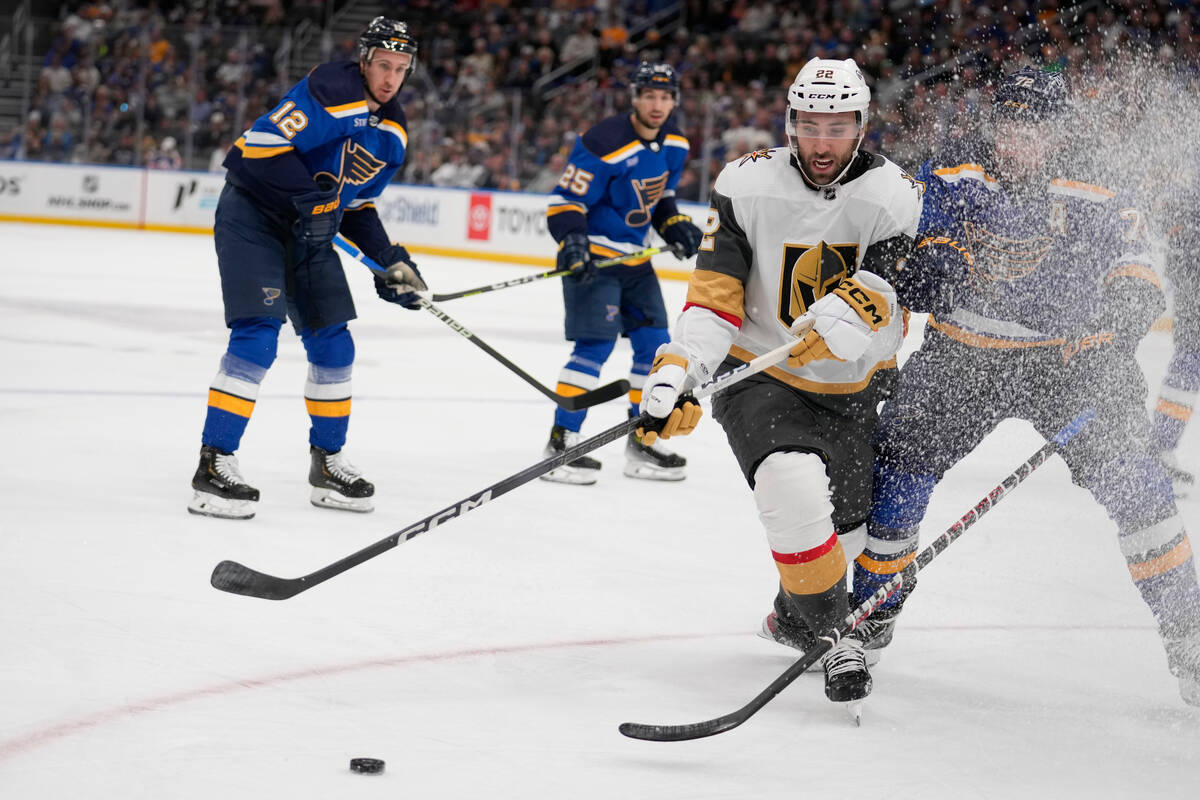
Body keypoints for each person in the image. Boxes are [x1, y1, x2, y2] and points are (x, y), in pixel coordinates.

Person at [854, 67, 1200, 705]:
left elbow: (1136, 264)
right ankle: (867, 622)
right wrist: (929, 267)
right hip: (964, 356)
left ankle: (1191, 641)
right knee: (899, 473)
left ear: (1055, 130)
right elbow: (923, 241)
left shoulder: (1098, 183)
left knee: (1141, 488)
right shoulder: (953, 169)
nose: (1019, 137)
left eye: (1033, 126)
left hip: (1069, 363)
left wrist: (1126, 303)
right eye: (1009, 122)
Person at [637, 57, 926, 704]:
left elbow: (887, 296)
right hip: (759, 374)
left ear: (862, 125)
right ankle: (835, 639)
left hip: (855, 387)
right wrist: (681, 369)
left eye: (838, 127)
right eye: (810, 125)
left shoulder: (895, 196)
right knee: (790, 489)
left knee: (845, 533)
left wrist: (854, 316)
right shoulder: (744, 185)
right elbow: (714, 301)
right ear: (790, 122)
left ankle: (796, 617)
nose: (822, 143)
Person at [188, 16, 429, 520]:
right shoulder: (329, 89)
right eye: (383, 64)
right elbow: (258, 151)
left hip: (309, 230)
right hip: (253, 217)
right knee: (258, 334)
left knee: (334, 342)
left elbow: (357, 207)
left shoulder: (392, 135)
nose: (390, 77)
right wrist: (313, 203)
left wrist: (389, 261)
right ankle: (213, 466)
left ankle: (328, 464)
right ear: (364, 61)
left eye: (400, 69)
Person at [540, 61, 703, 485]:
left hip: (636, 262)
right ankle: (562, 443)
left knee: (655, 349)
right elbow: (564, 202)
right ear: (634, 97)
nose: (657, 104)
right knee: (594, 348)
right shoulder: (604, 141)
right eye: (649, 95)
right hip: (595, 261)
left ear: (674, 101)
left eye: (665, 96)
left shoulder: (676, 143)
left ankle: (642, 442)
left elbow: (660, 199)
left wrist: (674, 225)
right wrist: (572, 240)